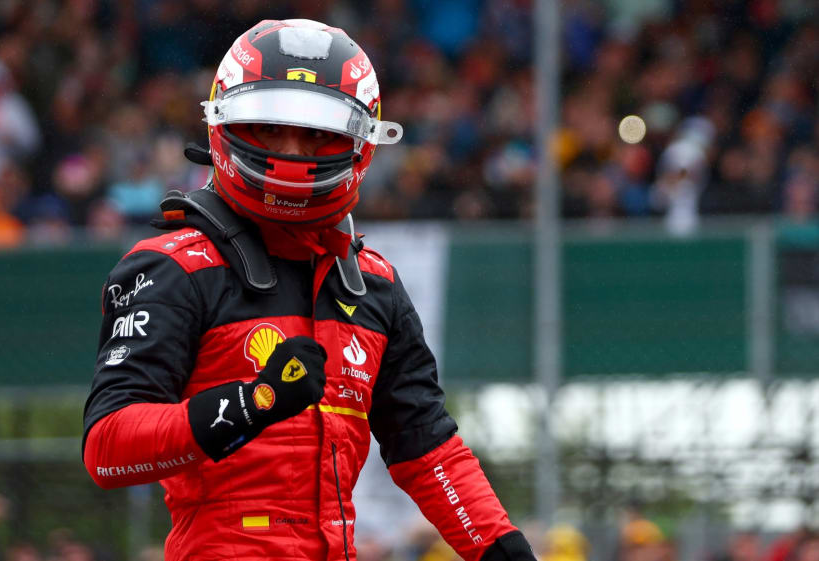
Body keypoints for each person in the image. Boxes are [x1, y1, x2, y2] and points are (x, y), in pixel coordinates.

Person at [82, 19, 536, 561]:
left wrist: (504, 549)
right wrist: (254, 402)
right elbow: (108, 448)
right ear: (223, 123)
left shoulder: (375, 285)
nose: (292, 153)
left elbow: (429, 448)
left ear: (361, 143)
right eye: (269, 128)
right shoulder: (171, 268)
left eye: (318, 133)